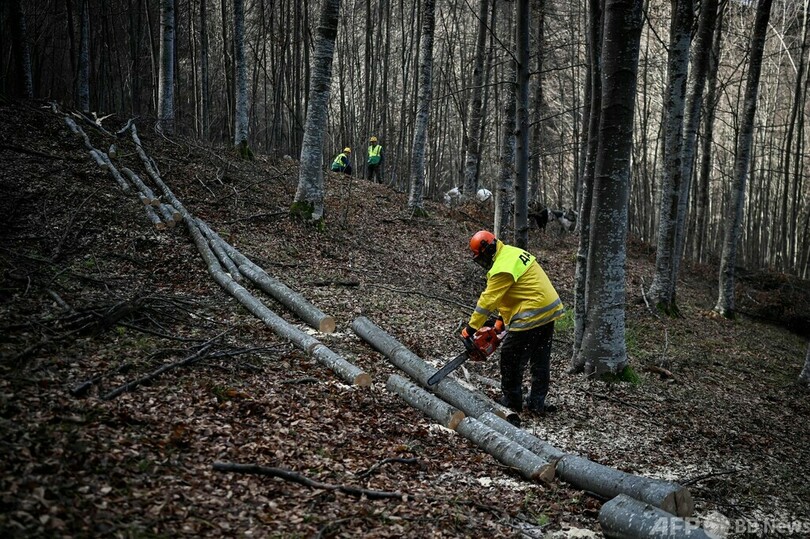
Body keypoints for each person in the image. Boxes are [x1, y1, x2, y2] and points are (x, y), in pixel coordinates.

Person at [463, 230, 564, 414]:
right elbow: (516, 292)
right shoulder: (511, 253)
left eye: (481, 257)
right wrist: (500, 321)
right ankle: (537, 403)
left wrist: (471, 328)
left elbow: (488, 301)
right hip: (548, 310)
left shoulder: (501, 267)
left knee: (510, 357)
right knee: (540, 359)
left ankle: (511, 401)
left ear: (488, 250)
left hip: (531, 313)